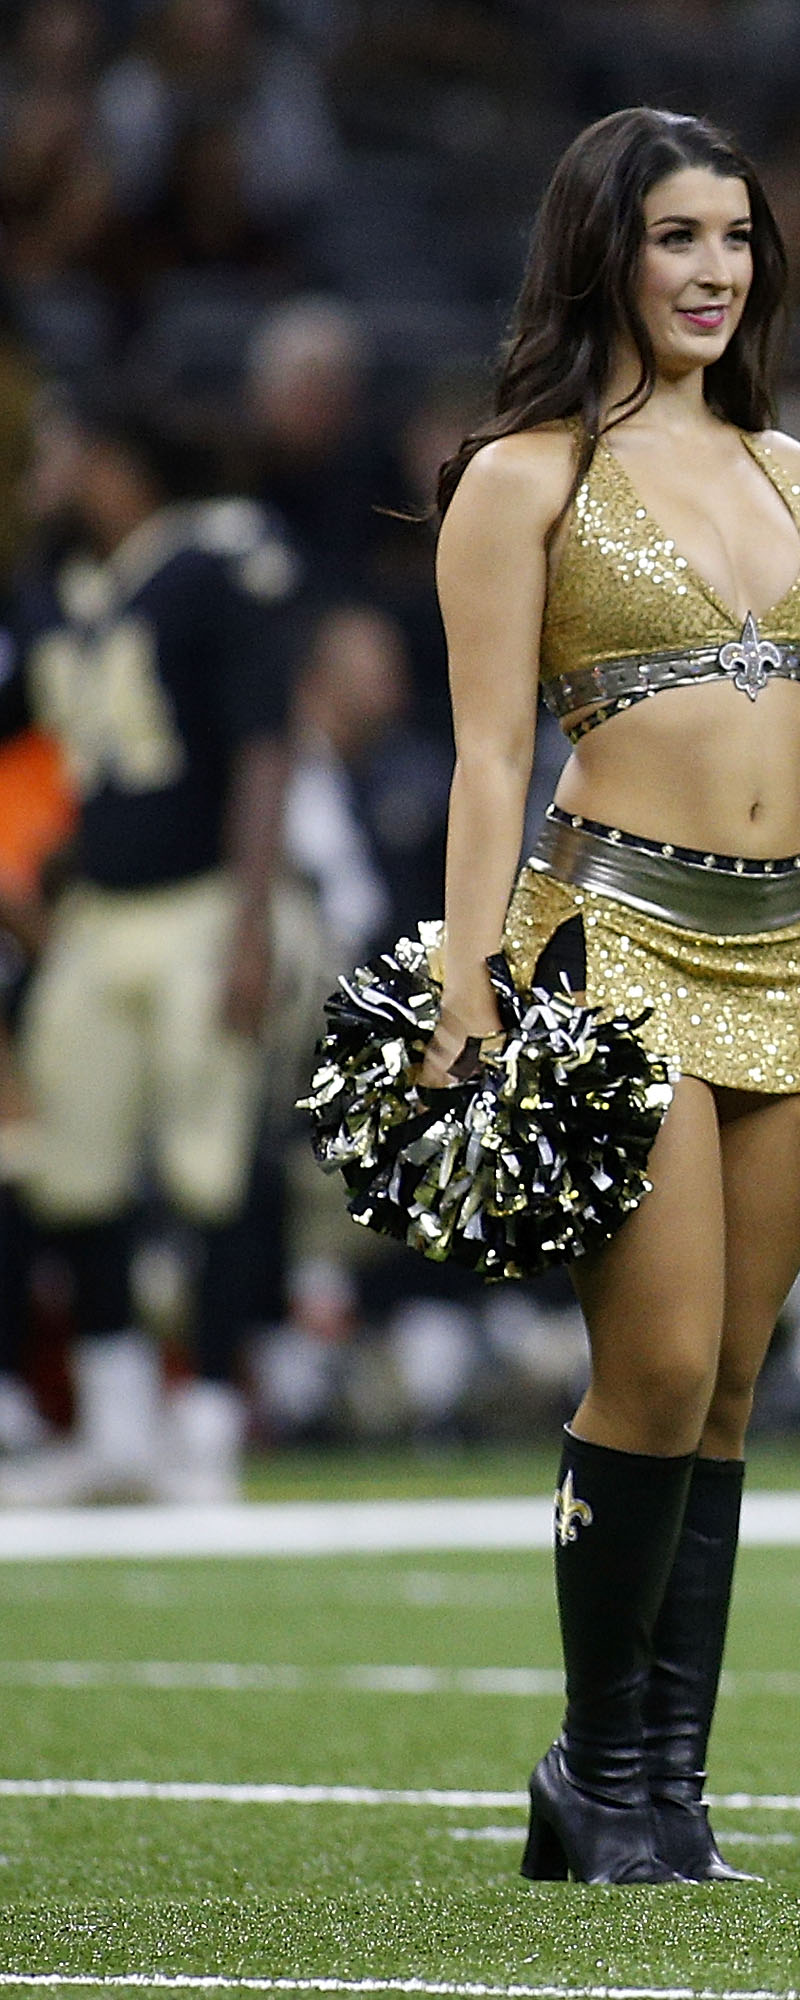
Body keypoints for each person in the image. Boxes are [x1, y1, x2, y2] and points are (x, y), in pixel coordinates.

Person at [423, 107, 800, 1886]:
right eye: (678, 237)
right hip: (617, 941)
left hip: (791, 951)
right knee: (662, 1359)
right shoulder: (526, 476)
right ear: (601, 251)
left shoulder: (788, 467)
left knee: (736, 1381)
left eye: (737, 239)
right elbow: (486, 756)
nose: (714, 271)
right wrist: (468, 980)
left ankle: (665, 1790)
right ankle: (596, 1762)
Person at [0, 387, 299, 1508]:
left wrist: (253, 922)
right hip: (99, 912)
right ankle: (116, 1420)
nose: (42, 476)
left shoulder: (216, 560)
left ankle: (208, 1418)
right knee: (67, 1166)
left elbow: (263, 747)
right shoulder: (60, 588)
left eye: (61, 452)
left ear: (115, 460)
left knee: (211, 1167)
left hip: (204, 901)